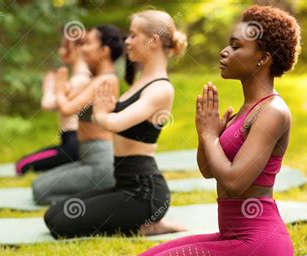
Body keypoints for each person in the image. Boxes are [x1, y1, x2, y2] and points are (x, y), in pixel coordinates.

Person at [123, 5, 307, 256]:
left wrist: (213, 136)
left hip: (257, 246)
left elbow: (236, 183)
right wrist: (206, 134)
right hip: (232, 238)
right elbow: (207, 170)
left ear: (263, 58)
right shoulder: (245, 111)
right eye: (228, 43)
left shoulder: (273, 112)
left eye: (236, 46)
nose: (224, 52)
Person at [44, 9, 188, 238]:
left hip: (144, 192)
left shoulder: (161, 88)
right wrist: (107, 109)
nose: (127, 41)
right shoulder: (141, 82)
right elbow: (120, 118)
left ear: (153, 41)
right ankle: (139, 223)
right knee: (52, 214)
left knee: (61, 224)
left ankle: (146, 225)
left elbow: (117, 123)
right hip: (123, 183)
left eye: (133, 35)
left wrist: (102, 115)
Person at [31, 25, 123, 205]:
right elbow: (68, 98)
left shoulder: (105, 80)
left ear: (104, 51)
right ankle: (94, 195)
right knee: (39, 184)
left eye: (88, 43)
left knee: (40, 191)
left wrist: (57, 89)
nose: (82, 48)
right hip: (87, 158)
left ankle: (95, 198)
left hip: (101, 163)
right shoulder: (96, 80)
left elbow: (67, 108)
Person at [15, 35, 91, 175]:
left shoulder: (81, 79)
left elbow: (48, 104)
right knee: (21, 165)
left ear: (78, 48)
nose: (61, 51)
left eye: (64, 46)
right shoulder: (80, 78)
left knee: (21, 165)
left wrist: (49, 86)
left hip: (73, 145)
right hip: (70, 142)